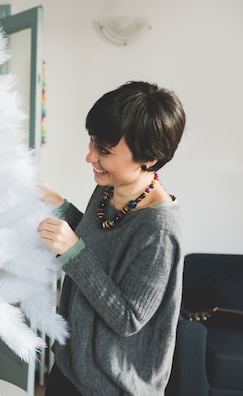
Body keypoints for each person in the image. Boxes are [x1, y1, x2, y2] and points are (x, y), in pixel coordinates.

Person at [37, 81, 186, 395]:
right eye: (92, 142)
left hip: (110, 385)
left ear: (150, 158)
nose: (90, 156)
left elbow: (128, 318)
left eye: (104, 150)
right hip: (71, 363)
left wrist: (73, 252)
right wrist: (61, 206)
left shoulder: (159, 231)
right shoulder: (109, 187)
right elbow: (99, 246)